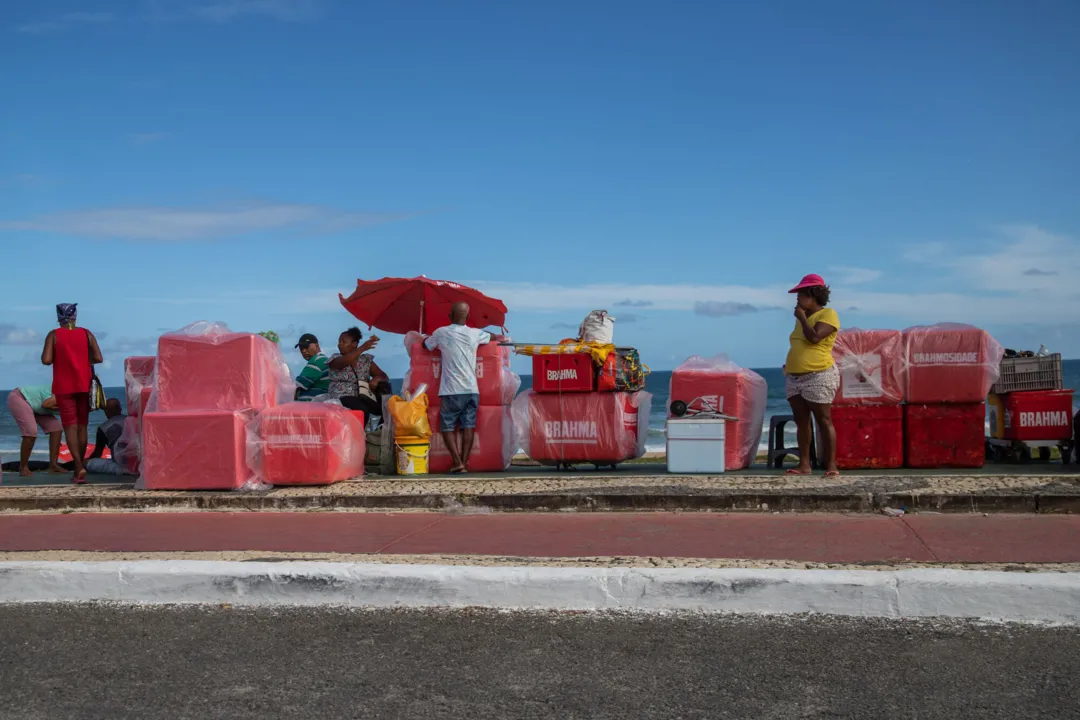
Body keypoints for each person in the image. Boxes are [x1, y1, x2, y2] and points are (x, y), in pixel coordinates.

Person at [423, 302, 492, 473]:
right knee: (468, 426)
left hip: (451, 390)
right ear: (468, 317)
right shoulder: (475, 334)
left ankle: (456, 462)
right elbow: (493, 337)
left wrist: (422, 337)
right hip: (472, 389)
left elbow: (427, 345)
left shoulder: (441, 332)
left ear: (450, 315)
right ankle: (464, 462)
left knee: (447, 426)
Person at [783, 274, 841, 478]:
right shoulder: (802, 319)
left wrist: (801, 318)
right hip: (795, 377)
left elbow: (815, 338)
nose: (797, 299)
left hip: (819, 375)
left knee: (824, 420)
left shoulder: (828, 314)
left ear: (813, 296)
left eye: (801, 295)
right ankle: (804, 465)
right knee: (801, 421)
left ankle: (831, 466)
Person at [41, 303, 103, 483]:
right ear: (75, 316)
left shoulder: (54, 335)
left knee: (70, 428)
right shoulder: (86, 333)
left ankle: (78, 467)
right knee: (83, 426)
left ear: (59, 318)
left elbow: (46, 360)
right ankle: (80, 466)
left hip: (63, 387)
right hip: (84, 385)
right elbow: (98, 358)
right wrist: (83, 358)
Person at [328, 327, 390, 423]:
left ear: (354, 344)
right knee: (361, 409)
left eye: (344, 342)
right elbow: (345, 361)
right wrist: (363, 347)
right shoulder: (335, 358)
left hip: (363, 396)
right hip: (342, 396)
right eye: (339, 341)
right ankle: (359, 435)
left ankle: (378, 432)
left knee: (388, 407)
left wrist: (377, 379)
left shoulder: (365, 360)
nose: (340, 344)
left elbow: (383, 375)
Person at [6, 384, 64, 476]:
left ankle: (53, 465)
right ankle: (23, 467)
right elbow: (47, 404)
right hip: (20, 397)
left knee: (56, 429)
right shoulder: (67, 393)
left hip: (37, 406)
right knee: (30, 432)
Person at [83, 398, 131, 476]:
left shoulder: (103, 428)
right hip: (138, 464)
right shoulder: (133, 421)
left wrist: (88, 459)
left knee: (85, 463)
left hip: (120, 467)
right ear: (120, 409)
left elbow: (97, 453)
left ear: (106, 412)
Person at [294, 333, 330, 400]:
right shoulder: (323, 359)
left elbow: (296, 386)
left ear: (316, 345)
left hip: (312, 407)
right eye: (301, 348)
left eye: (306, 347)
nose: (304, 351)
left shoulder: (317, 360)